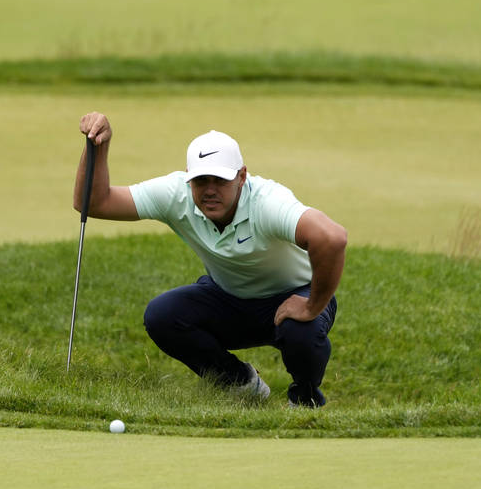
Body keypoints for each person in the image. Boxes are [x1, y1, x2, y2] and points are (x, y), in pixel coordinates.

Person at [73, 112, 347, 407]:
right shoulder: (176, 194)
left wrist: (311, 306)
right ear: (188, 178)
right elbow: (92, 203)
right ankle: (241, 385)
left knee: (301, 332)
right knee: (162, 315)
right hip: (229, 300)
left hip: (293, 296)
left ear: (242, 176)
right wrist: (99, 147)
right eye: (201, 181)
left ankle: (305, 400)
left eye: (221, 179)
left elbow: (331, 238)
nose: (210, 190)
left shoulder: (267, 203)